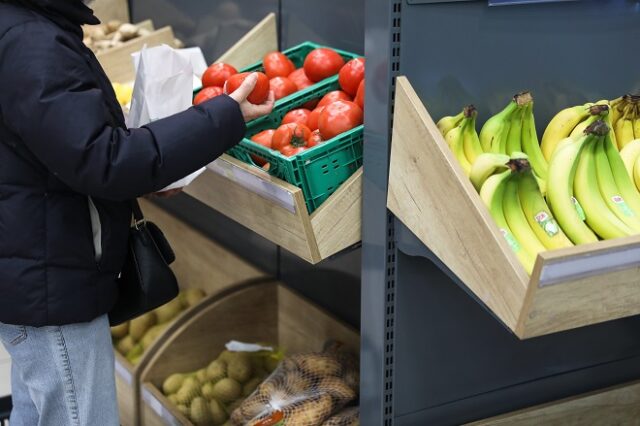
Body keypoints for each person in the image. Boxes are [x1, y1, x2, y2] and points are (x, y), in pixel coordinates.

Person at [0, 0, 274, 424]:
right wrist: (223, 117)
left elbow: (60, 152)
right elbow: (103, 162)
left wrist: (142, 173)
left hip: (32, 270)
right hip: (51, 282)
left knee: (34, 413)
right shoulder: (33, 42)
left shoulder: (22, 27)